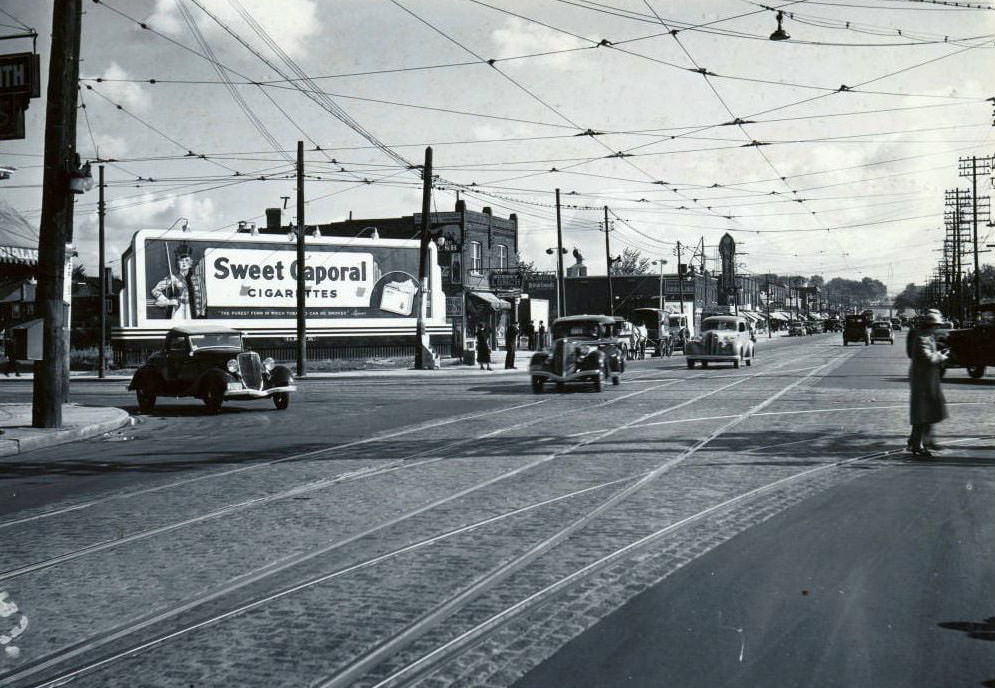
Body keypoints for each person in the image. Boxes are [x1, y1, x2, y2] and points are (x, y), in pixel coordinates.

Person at [907, 312, 948, 457]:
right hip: (922, 381)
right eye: (935, 326)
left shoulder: (927, 337)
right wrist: (941, 356)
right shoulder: (922, 338)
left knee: (925, 412)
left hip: (927, 380)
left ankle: (917, 441)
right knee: (922, 414)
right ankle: (918, 444)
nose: (936, 329)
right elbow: (928, 358)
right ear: (930, 325)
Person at [150, 244, 206, 321]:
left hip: (193, 310)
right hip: (179, 309)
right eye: (181, 260)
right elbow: (155, 290)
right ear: (177, 263)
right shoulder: (173, 278)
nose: (184, 263)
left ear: (191, 263)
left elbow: (203, 297)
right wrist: (168, 301)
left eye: (186, 260)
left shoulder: (197, 278)